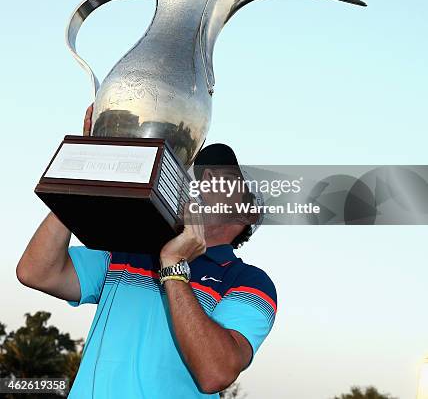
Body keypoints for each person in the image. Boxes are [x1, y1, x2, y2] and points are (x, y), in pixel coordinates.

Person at [16, 105, 277, 398]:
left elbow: (216, 372)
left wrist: (174, 268)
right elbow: (36, 271)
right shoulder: (130, 249)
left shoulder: (249, 282)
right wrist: (84, 168)